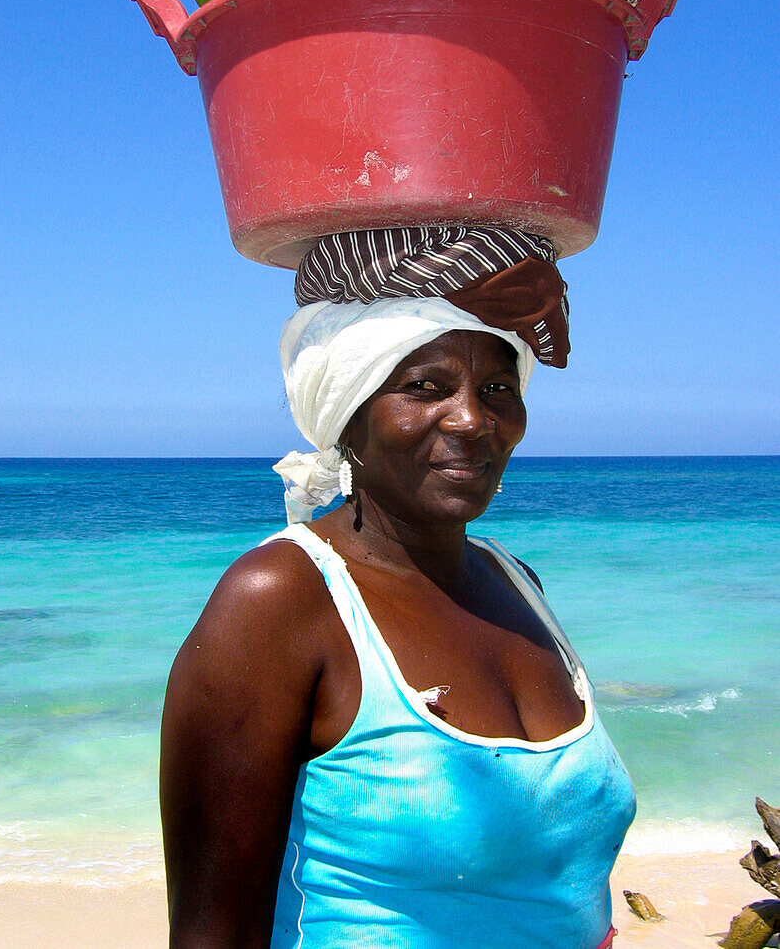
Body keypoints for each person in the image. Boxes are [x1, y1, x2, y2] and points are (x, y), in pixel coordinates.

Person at [160, 228, 636, 948]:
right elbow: (212, 931)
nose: (472, 419)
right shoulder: (279, 601)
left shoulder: (516, 581)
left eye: (497, 388)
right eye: (425, 387)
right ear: (347, 414)